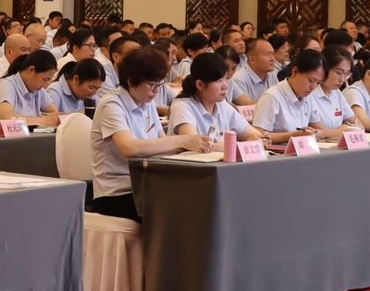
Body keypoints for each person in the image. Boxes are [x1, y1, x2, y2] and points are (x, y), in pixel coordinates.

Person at [89, 47, 209, 220]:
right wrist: (181, 140)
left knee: (199, 197)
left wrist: (192, 145)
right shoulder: (111, 105)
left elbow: (163, 144)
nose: (156, 91)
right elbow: (129, 148)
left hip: (148, 184)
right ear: (131, 81)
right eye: (152, 85)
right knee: (181, 208)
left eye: (159, 84)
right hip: (117, 193)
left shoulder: (147, 103)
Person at [167, 52, 260, 145]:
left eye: (226, 78)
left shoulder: (222, 105)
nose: (225, 86)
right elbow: (195, 144)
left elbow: (254, 134)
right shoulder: (182, 106)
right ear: (200, 85)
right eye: (219, 81)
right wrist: (238, 145)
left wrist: (258, 139)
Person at [255, 49, 339, 142]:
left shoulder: (308, 96)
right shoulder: (272, 97)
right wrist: (293, 136)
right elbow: (259, 136)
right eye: (311, 80)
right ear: (295, 71)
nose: (313, 87)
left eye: (318, 83)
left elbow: (318, 129)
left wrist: (315, 133)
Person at [0, 50, 61, 126]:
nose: (45, 85)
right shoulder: (6, 84)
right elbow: (8, 119)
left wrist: (47, 119)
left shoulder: (38, 88)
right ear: (31, 70)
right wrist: (43, 120)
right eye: (45, 79)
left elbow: (55, 113)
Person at [308, 48, 357, 128]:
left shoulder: (336, 92)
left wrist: (346, 126)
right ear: (324, 69)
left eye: (346, 74)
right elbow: (318, 132)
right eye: (339, 72)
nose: (342, 79)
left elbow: (356, 122)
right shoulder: (310, 92)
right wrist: (343, 129)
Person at [230, 37, 280, 105]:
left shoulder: (273, 74)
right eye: (268, 54)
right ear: (252, 59)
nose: (273, 59)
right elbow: (247, 107)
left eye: (273, 54)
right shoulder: (239, 79)